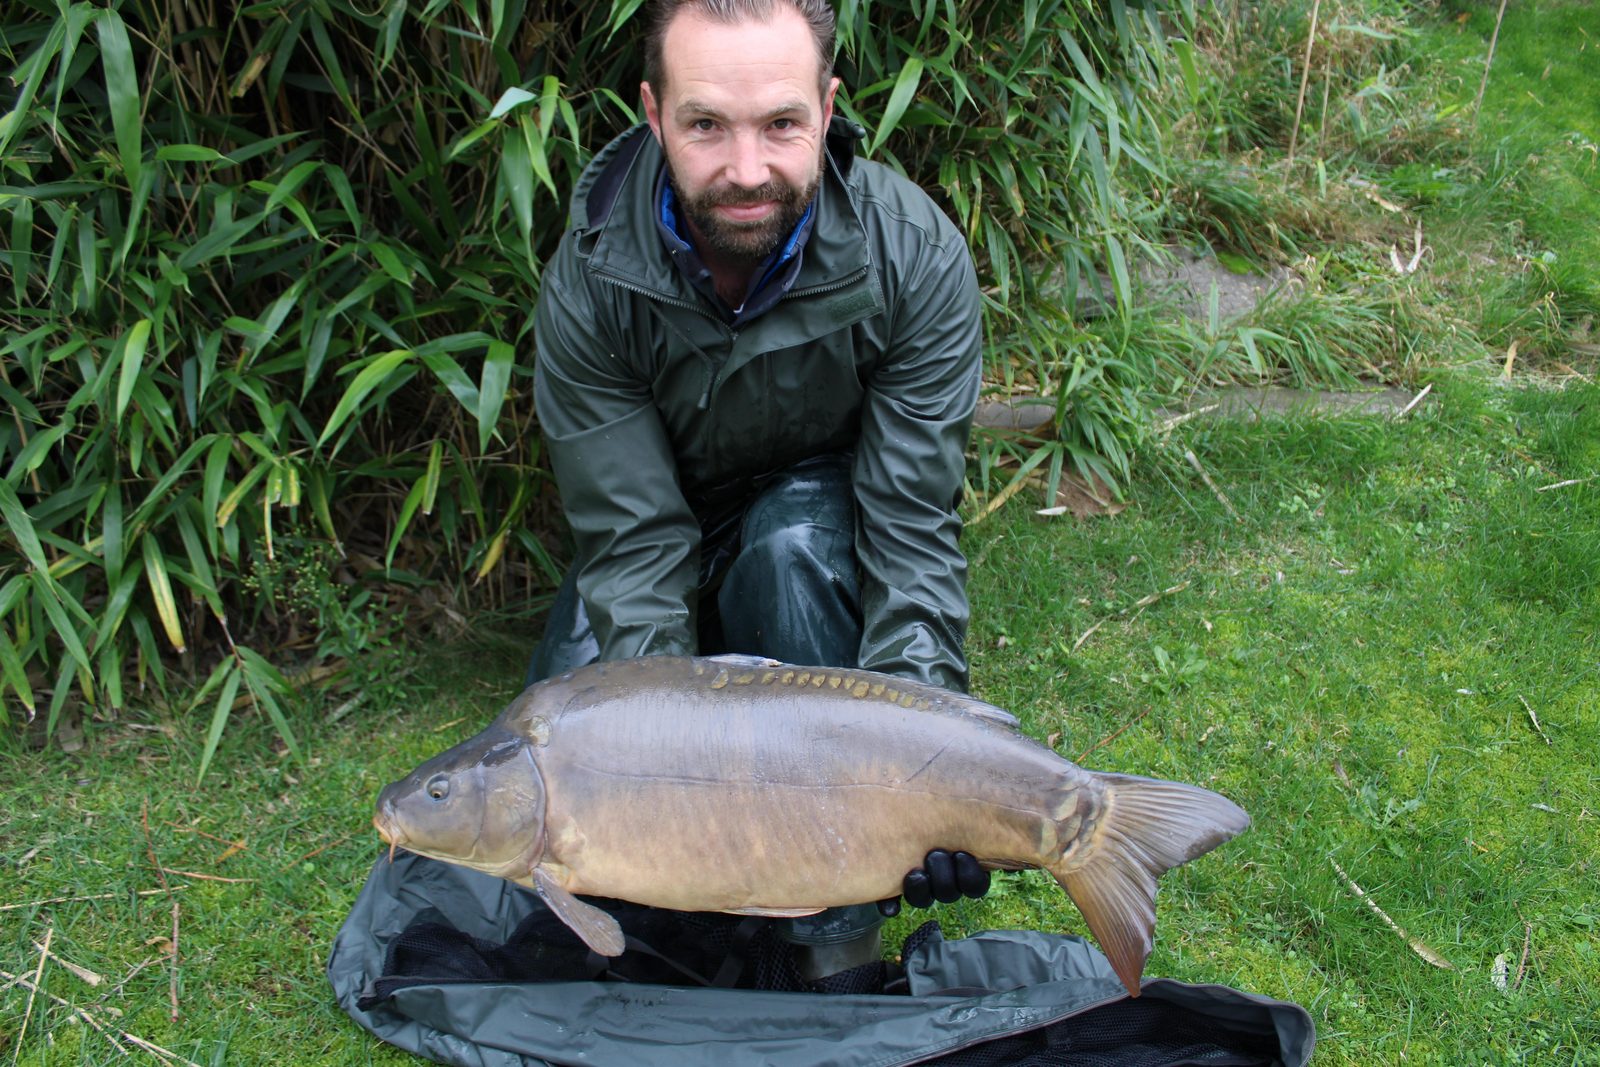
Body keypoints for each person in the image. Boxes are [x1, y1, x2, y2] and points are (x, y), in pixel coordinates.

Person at [527, 0, 989, 977]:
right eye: (705, 125)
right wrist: (648, 771)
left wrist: (932, 762)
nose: (745, 169)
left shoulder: (916, 256)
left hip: (825, 516)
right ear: (653, 115)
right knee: (563, 758)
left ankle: (838, 948)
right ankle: (674, 912)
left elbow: (906, 533)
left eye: (780, 123)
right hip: (673, 524)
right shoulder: (590, 276)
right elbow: (634, 538)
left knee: (790, 559)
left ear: (826, 109)